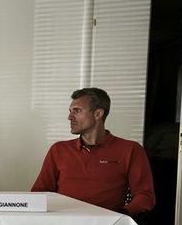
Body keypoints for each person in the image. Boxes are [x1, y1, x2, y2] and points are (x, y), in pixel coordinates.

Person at [31, 88, 154, 216]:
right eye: (70, 111)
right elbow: (40, 192)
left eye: (77, 111)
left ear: (98, 114)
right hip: (63, 222)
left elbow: (145, 196)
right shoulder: (58, 150)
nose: (69, 117)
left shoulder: (130, 150)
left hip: (107, 223)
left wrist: (122, 214)